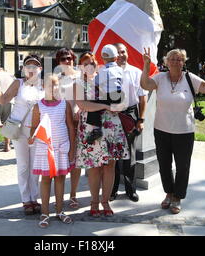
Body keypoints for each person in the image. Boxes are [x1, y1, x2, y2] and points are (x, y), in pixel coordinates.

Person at [140, 48, 205, 214]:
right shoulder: (160, 78)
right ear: (166, 62)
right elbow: (145, 84)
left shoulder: (190, 78)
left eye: (179, 59)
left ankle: (178, 197)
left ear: (184, 62)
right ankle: (169, 193)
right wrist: (146, 65)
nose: (175, 62)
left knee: (183, 166)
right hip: (161, 130)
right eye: (172, 59)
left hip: (184, 131)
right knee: (164, 165)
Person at [74, 51, 129, 217]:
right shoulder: (78, 84)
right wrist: (104, 106)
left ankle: (105, 201)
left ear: (97, 64)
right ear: (80, 67)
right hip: (92, 127)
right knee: (94, 166)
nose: (89, 66)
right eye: (85, 63)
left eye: (91, 62)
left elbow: (122, 101)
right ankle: (94, 202)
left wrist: (117, 104)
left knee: (109, 165)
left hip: (111, 127)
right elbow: (82, 104)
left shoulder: (108, 79)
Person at [0, 55, 44, 215]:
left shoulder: (43, 86)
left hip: (36, 131)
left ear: (40, 69)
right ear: (24, 69)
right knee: (23, 166)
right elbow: (3, 100)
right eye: (29, 66)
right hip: (19, 130)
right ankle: (26, 199)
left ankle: (34, 198)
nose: (32, 69)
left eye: (35, 66)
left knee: (35, 167)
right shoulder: (18, 83)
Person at [29, 74, 76, 228]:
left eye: (55, 85)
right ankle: (45, 212)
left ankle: (60, 210)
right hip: (45, 148)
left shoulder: (64, 104)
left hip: (61, 147)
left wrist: (72, 148)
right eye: (49, 85)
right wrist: (31, 137)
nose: (53, 88)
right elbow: (35, 127)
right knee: (46, 179)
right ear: (43, 87)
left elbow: (70, 126)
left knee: (61, 179)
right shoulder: (38, 106)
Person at [110, 43, 147, 202]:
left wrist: (141, 119)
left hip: (131, 114)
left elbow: (142, 97)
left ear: (127, 53)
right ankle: (112, 189)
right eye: (117, 53)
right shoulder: (107, 73)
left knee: (129, 154)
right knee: (113, 154)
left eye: (123, 51)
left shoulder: (136, 72)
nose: (121, 55)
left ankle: (130, 189)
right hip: (112, 114)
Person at [55, 48, 82, 209]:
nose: (67, 61)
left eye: (70, 58)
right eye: (64, 59)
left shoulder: (80, 76)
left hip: (77, 121)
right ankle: (60, 195)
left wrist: (79, 109)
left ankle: (73, 195)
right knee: (62, 160)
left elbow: (87, 95)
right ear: (58, 62)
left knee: (76, 161)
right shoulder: (56, 78)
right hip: (60, 123)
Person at [85, 44, 124, 144]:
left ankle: (96, 128)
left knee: (93, 105)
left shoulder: (104, 70)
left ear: (102, 58)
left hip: (109, 96)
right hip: (120, 95)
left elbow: (94, 82)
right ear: (116, 57)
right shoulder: (120, 69)